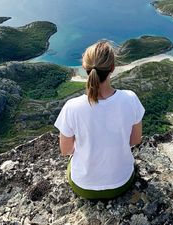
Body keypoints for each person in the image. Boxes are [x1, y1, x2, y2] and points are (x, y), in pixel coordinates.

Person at [54, 40, 145, 199]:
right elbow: (135, 140)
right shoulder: (130, 99)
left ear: (85, 68)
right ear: (112, 68)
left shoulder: (72, 107)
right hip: (121, 182)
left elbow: (66, 150)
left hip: (84, 187)